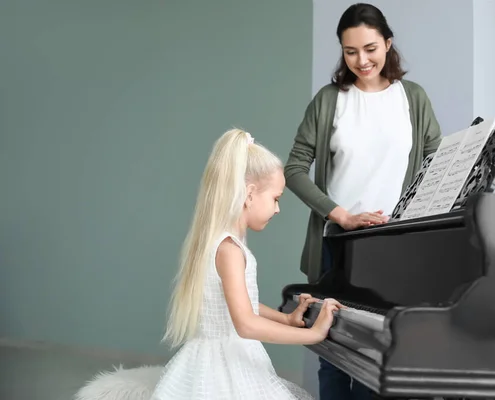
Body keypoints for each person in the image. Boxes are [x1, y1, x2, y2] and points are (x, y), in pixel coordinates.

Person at [75, 129, 343, 400]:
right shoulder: (229, 250)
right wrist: (314, 335)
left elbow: (239, 303)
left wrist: (284, 318)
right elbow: (246, 324)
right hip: (224, 368)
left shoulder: (221, 242)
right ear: (250, 194)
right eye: (276, 198)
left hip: (219, 358)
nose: (277, 209)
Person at [284, 3, 443, 400]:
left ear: (388, 44)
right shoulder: (329, 100)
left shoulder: (413, 98)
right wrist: (341, 216)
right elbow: (294, 170)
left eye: (370, 48)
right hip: (335, 243)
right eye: (350, 51)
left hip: (395, 246)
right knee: (333, 354)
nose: (362, 60)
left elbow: (436, 165)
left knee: (382, 356)